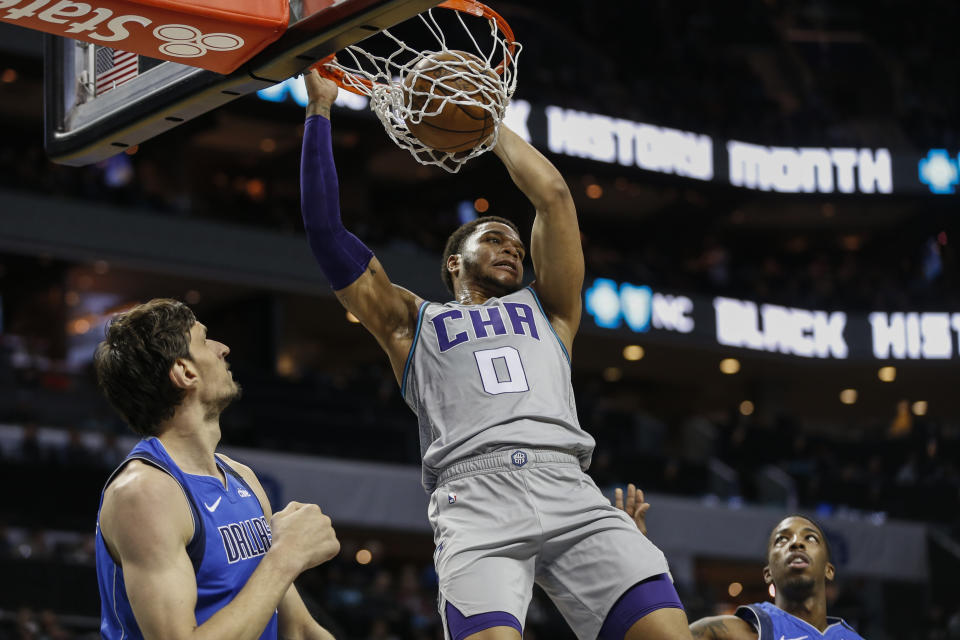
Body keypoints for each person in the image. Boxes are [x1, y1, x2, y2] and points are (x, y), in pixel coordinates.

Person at [299, 70, 691, 640]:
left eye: (515, 241)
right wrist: (320, 110)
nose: (511, 245)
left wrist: (489, 127)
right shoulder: (413, 322)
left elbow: (554, 197)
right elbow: (325, 232)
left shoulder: (552, 310)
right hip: (473, 500)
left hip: (568, 488)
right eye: (493, 237)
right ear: (454, 262)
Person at [93, 298, 341, 640]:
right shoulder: (144, 493)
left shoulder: (242, 477)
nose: (223, 348)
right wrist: (285, 557)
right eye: (205, 340)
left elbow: (297, 628)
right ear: (185, 372)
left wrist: (285, 560)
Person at [614, 494, 865, 640]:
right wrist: (638, 555)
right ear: (768, 573)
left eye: (810, 538)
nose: (796, 543)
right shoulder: (735, 632)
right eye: (782, 540)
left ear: (829, 570)